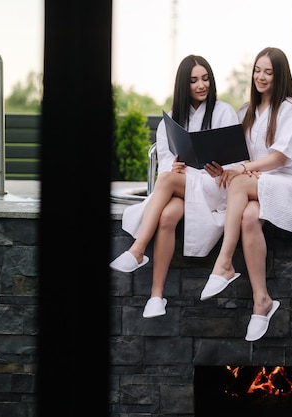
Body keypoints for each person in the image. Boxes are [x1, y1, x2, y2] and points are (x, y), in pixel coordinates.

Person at [110, 54, 242, 318]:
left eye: (205, 79)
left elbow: (235, 155)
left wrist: (221, 168)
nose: (201, 85)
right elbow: (167, 160)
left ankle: (137, 250)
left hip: (215, 186)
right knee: (168, 216)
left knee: (168, 180)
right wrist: (175, 166)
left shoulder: (224, 111)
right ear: (184, 84)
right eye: (194, 81)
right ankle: (156, 296)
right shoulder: (171, 119)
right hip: (186, 186)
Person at [201, 47, 292, 341]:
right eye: (257, 70)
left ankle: (224, 263)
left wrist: (242, 169)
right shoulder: (245, 111)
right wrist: (223, 168)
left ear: (280, 76)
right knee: (249, 218)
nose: (261, 77)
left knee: (238, 184)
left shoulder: (290, 108)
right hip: (260, 180)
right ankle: (262, 302)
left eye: (268, 72)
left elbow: (279, 158)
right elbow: (241, 156)